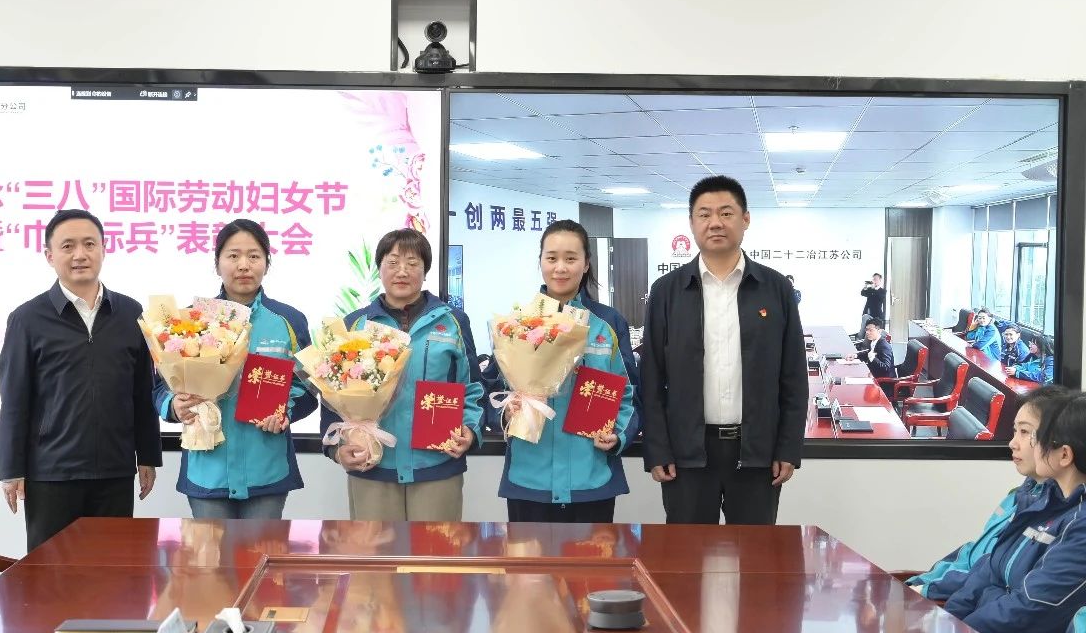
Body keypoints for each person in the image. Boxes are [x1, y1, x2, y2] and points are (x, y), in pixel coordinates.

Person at [639, 175, 807, 525]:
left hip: (757, 453)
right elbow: (651, 376)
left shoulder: (775, 288)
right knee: (688, 552)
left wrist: (788, 447)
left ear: (746, 219)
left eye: (726, 213)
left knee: (754, 552)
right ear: (691, 223)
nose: (715, 222)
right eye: (704, 214)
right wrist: (657, 448)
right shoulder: (667, 291)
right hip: (686, 454)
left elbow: (793, 375)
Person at [0, 209, 162, 552]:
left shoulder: (131, 314)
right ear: (49, 255)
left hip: (115, 471)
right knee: (50, 575)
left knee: (112, 570)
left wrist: (148, 455)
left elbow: (142, 393)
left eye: (89, 244)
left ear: (104, 249)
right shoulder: (27, 319)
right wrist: (10, 469)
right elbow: (14, 401)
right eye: (68, 246)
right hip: (51, 474)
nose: (80, 254)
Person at [154, 219, 317, 519]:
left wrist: (285, 411)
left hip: (266, 467)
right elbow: (159, 387)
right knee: (210, 551)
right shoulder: (190, 320)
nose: (244, 265)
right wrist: (174, 406)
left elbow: (309, 388)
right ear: (217, 264)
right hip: (208, 467)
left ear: (267, 263)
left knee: (262, 550)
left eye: (254, 256)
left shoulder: (290, 321)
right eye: (233, 256)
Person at [322, 228, 484, 522]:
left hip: (437, 464)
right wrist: (337, 449)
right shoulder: (355, 324)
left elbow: (473, 387)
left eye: (412, 263)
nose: (402, 271)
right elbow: (331, 394)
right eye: (393, 262)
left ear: (425, 270)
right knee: (374, 552)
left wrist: (470, 430)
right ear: (379, 268)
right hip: (373, 464)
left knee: (435, 552)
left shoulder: (453, 321)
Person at [491, 220, 641, 523]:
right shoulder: (517, 324)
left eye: (571, 258)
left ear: (586, 264)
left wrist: (618, 434)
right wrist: (507, 412)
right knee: (529, 556)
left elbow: (630, 395)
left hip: (591, 477)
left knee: (592, 557)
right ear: (540, 262)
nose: (560, 267)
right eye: (552, 258)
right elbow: (492, 391)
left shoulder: (608, 324)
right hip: (529, 478)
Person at [943, 393, 1086, 633]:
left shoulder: (1079, 524)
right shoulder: (1044, 500)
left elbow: (1032, 606)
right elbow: (990, 569)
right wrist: (948, 622)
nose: (1017, 444)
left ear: (1064, 455)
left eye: (1035, 438)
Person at [905, 385, 1073, 600]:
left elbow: (991, 575)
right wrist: (920, 583)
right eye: (1015, 431)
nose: (1013, 443)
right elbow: (970, 554)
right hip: (947, 592)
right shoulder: (1018, 495)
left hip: (957, 602)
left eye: (1025, 432)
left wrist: (926, 591)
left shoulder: (1056, 516)